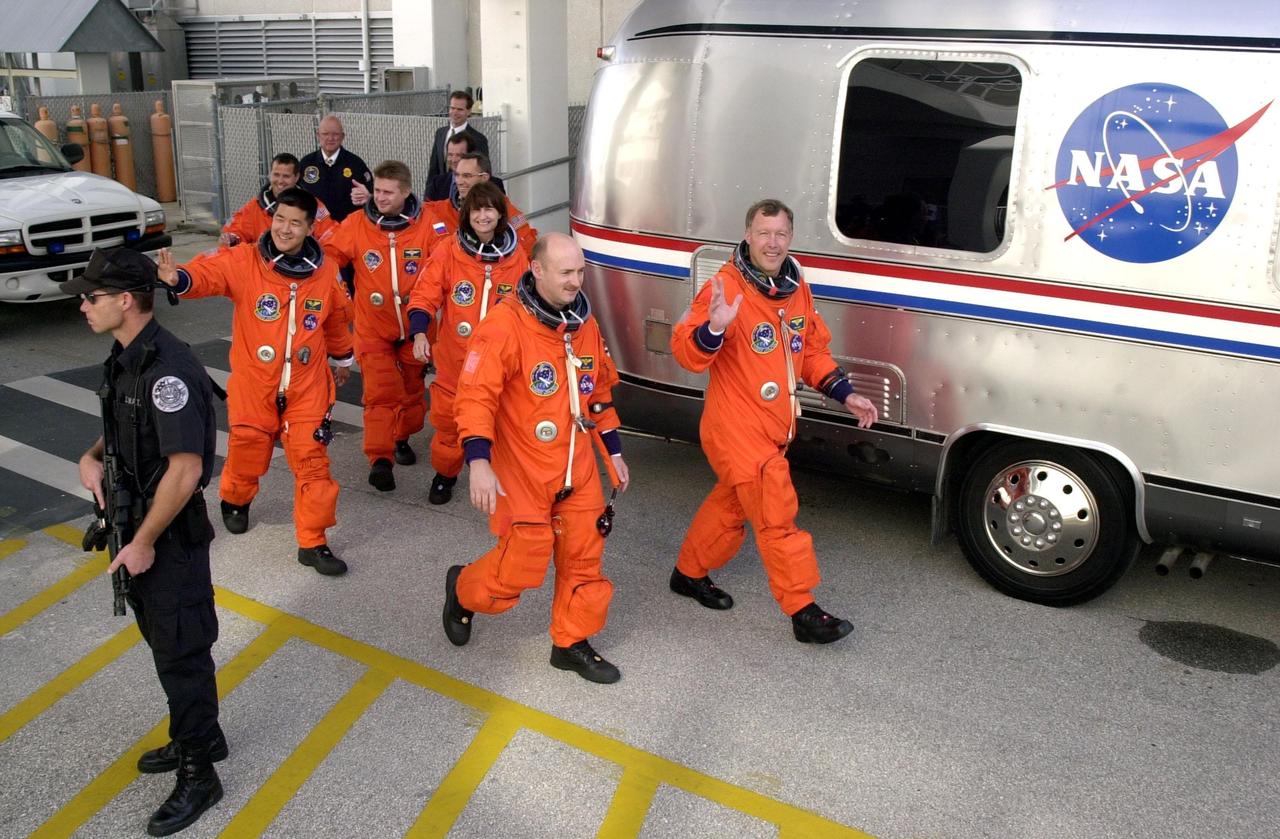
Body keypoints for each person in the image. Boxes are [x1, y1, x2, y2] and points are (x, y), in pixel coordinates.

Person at [669, 199, 879, 644]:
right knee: (776, 516)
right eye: (763, 233)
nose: (772, 242)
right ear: (747, 235)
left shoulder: (795, 287)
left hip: (772, 427)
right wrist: (715, 329)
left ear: (791, 238)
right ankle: (802, 608)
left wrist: (848, 394)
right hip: (736, 429)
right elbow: (686, 352)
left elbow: (810, 352)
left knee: (731, 505)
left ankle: (687, 573)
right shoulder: (726, 287)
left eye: (780, 234)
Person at [67, 248, 225, 836]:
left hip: (168, 538)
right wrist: (90, 456)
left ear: (126, 301)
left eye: (92, 297)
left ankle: (199, 770)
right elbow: (122, 425)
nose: (83, 305)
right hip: (136, 529)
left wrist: (146, 541)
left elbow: (185, 469)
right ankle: (199, 734)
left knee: (181, 652)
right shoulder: (128, 357)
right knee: (165, 646)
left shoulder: (170, 370)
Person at [442, 233, 629, 684]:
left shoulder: (584, 325)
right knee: (520, 566)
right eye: (566, 273)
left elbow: (597, 391)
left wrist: (614, 452)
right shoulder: (504, 326)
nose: (576, 282)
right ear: (537, 270)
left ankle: (571, 642)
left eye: (581, 272)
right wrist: (479, 462)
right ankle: (464, 591)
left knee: (584, 558)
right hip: (521, 469)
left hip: (575, 466)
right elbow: (475, 398)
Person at [156, 188, 355, 576]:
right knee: (248, 449)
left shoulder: (326, 270)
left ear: (310, 228)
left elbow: (335, 318)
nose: (284, 228)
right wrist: (178, 278)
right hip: (255, 382)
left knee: (312, 463)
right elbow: (208, 274)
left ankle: (313, 541)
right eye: (280, 219)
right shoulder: (246, 261)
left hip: (307, 385)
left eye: (295, 222)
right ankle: (235, 498)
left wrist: (343, 356)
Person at [323, 160, 450, 491]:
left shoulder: (430, 227)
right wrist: (340, 297)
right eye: (377, 190)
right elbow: (329, 259)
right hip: (372, 327)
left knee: (410, 394)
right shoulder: (356, 225)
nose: (379, 197)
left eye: (387, 192)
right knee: (379, 394)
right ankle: (380, 459)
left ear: (405, 192)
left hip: (416, 331)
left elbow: (446, 267)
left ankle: (402, 435)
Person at [407, 180, 529, 505]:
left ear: (500, 213)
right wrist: (420, 332)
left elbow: (527, 310)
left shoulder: (516, 258)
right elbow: (425, 293)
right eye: (477, 209)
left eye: (489, 209)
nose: (483, 216)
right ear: (467, 214)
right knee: (448, 427)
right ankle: (445, 475)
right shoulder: (449, 250)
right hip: (454, 362)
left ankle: (496, 481)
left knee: (499, 425)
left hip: (497, 365)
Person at [428, 152, 536, 257]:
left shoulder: (505, 210)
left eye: (467, 176)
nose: (459, 181)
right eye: (457, 175)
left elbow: (529, 252)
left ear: (484, 178)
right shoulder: (439, 210)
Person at [221, 153, 336, 248]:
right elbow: (235, 232)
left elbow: (330, 237)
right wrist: (232, 238)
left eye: (286, 176)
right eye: (276, 175)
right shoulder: (255, 208)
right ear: (270, 175)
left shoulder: (313, 205)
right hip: (263, 267)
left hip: (300, 267)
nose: (280, 181)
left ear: (296, 177)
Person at [298, 115, 373, 223]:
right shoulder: (306, 163)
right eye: (325, 134)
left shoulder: (356, 164)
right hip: (314, 229)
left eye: (335, 134)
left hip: (347, 229)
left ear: (343, 136)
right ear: (318, 135)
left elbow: (371, 195)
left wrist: (368, 196)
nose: (330, 138)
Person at [428, 90, 490, 182]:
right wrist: (428, 194)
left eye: (460, 109)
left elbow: (483, 171)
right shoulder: (440, 133)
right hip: (441, 192)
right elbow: (434, 168)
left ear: (469, 111)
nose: (455, 112)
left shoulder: (478, 139)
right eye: (452, 108)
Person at [426, 133, 506, 201]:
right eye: (450, 155)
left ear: (471, 155)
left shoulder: (494, 185)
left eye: (459, 155)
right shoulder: (437, 183)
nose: (453, 160)